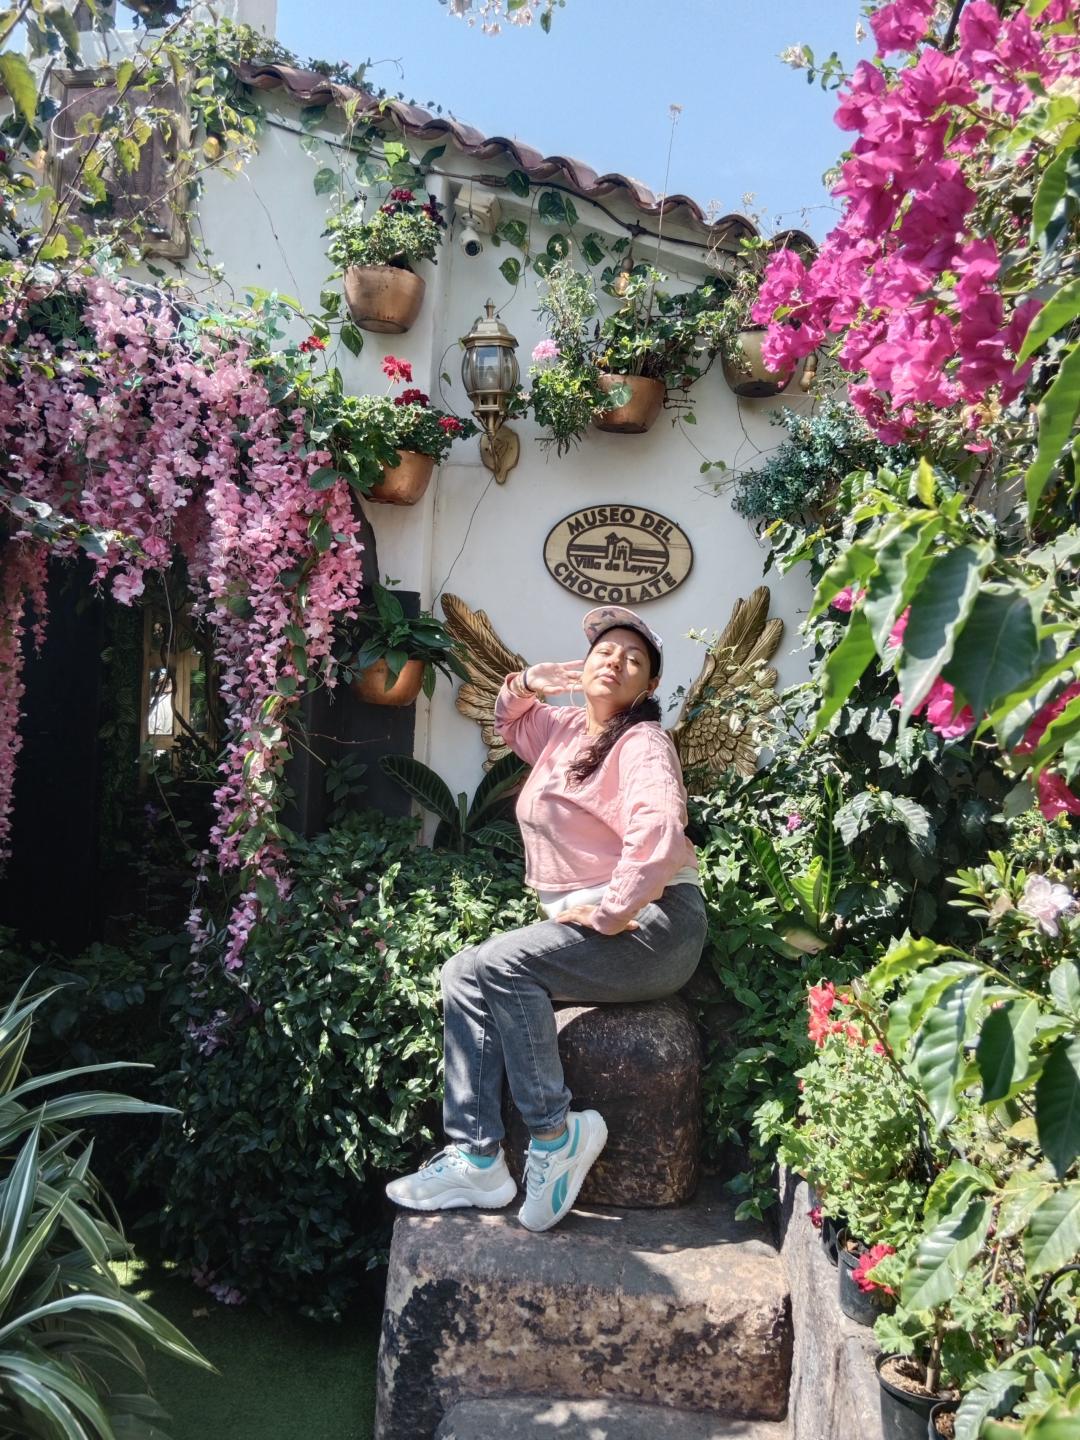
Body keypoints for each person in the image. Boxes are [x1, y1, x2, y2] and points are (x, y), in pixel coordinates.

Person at [385, 605, 707, 1232]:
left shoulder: (643, 744)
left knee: (501, 964)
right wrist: (530, 682)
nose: (615, 662)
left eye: (634, 659)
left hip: (655, 922)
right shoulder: (564, 730)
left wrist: (613, 911)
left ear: (649, 687)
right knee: (462, 972)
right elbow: (510, 722)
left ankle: (556, 1138)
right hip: (611, 919)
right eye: (604, 651)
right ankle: (478, 1159)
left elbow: (660, 832)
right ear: (583, 665)